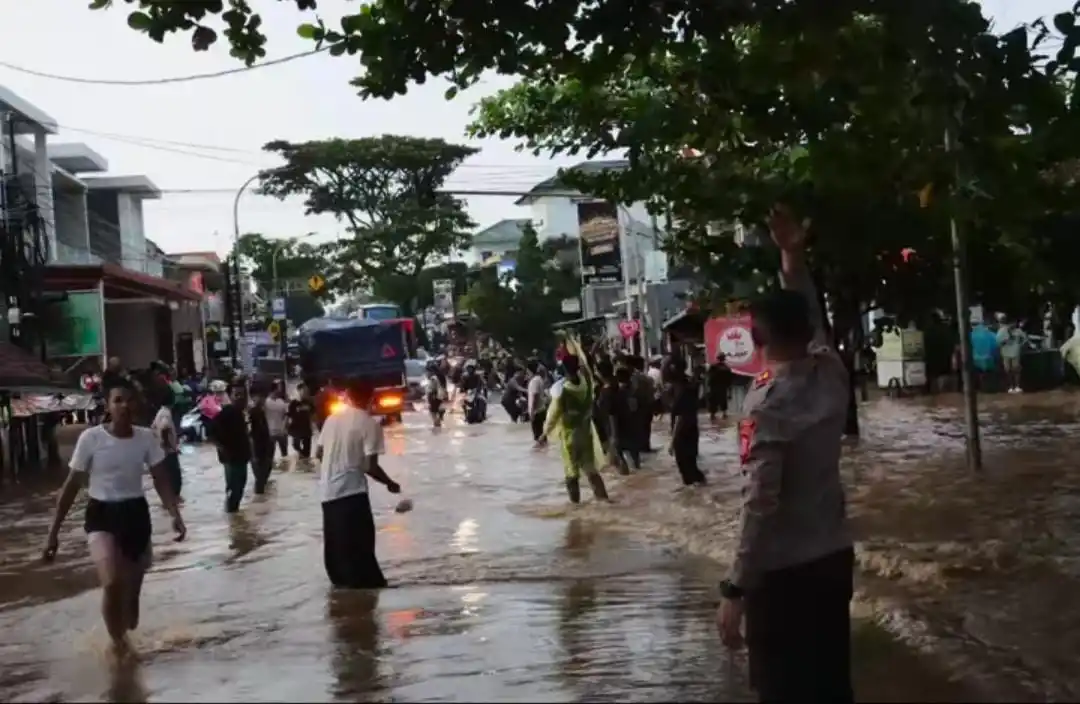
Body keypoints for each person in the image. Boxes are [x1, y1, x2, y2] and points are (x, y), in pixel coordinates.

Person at [716, 206, 853, 703]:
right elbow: (811, 320)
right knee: (832, 684)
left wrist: (735, 588)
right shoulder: (832, 374)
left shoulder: (765, 405)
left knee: (782, 689)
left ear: (756, 338)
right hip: (834, 560)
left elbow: (760, 503)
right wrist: (792, 257)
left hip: (784, 578)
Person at [42, 381, 186, 657]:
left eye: (129, 401)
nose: (124, 406)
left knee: (131, 601)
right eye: (118, 400)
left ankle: (127, 623)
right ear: (107, 406)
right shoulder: (91, 439)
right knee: (111, 583)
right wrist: (53, 532)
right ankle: (118, 646)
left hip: (135, 514)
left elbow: (160, 479)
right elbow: (71, 485)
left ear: (137, 406)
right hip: (101, 515)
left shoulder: (146, 438)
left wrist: (175, 513)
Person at [317, 377, 402, 589]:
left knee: (336, 547)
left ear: (347, 396)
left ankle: (342, 593)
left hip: (327, 492)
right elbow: (369, 466)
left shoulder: (331, 419)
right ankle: (369, 588)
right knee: (361, 547)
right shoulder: (369, 423)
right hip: (352, 492)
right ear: (371, 397)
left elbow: (319, 453)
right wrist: (390, 483)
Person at [540, 354, 609, 504]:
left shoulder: (563, 391)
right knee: (591, 470)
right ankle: (603, 500)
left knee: (571, 474)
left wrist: (544, 434)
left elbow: (553, 415)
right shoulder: (587, 384)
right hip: (586, 434)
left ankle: (575, 507)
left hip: (570, 437)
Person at [210, 383, 252, 513]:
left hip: (242, 457)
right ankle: (231, 516)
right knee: (234, 489)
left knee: (239, 488)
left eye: (242, 395)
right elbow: (211, 433)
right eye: (236, 394)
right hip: (231, 459)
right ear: (230, 396)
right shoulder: (227, 413)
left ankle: (234, 520)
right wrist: (222, 449)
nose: (240, 398)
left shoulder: (242, 413)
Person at [667, 357, 706, 487]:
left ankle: (693, 498)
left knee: (685, 469)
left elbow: (680, 417)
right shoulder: (690, 384)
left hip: (682, 432)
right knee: (692, 465)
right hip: (692, 429)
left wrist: (672, 441)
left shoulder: (680, 389)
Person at [600, 365, 641, 474]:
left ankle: (627, 479)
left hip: (615, 429)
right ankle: (636, 474)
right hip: (629, 426)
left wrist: (614, 435)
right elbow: (633, 408)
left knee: (618, 459)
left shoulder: (606, 392)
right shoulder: (625, 390)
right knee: (633, 456)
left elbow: (611, 413)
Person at [151, 388, 183, 500]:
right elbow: (164, 428)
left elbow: (153, 429)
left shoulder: (160, 412)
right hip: (168, 452)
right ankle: (174, 499)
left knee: (168, 478)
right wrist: (168, 445)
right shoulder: (166, 413)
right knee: (175, 479)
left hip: (162, 451)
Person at [248, 388, 274, 494]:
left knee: (264, 476)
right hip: (257, 449)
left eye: (262, 397)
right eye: (258, 397)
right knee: (260, 478)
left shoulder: (262, 412)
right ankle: (259, 496)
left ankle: (261, 500)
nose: (261, 399)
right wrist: (253, 453)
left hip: (265, 447)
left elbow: (265, 431)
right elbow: (250, 433)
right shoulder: (252, 413)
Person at [997, 318, 1027, 393]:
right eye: (1011, 323)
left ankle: (1017, 386)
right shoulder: (1002, 331)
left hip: (1015, 353)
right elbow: (998, 343)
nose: (1012, 325)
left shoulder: (1018, 331)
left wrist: (1020, 345)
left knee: (1016, 369)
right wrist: (1006, 340)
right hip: (1006, 353)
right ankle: (1011, 386)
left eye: (1014, 323)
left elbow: (1025, 339)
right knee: (1008, 370)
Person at [288, 383, 316, 459]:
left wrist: (313, 425)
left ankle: (305, 459)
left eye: (307, 391)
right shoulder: (293, 403)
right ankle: (301, 455)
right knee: (295, 445)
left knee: (307, 448)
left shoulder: (309, 403)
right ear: (299, 391)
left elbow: (313, 414)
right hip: (296, 429)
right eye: (304, 390)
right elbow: (289, 415)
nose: (306, 392)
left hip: (306, 429)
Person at [265, 381, 290, 463]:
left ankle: (285, 465)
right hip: (270, 431)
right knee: (270, 452)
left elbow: (286, 414)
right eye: (279, 387)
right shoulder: (266, 402)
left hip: (281, 431)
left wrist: (285, 426)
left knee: (284, 452)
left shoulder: (281, 401)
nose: (281, 389)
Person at [526, 360, 549, 442]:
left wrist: (532, 412)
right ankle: (544, 452)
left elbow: (534, 396)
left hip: (536, 412)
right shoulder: (539, 379)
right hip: (541, 410)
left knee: (538, 437)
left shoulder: (534, 381)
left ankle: (540, 452)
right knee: (542, 436)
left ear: (529, 370)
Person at [707, 353, 734, 422]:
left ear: (718, 358)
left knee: (713, 402)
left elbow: (709, 377)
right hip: (723, 388)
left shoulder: (713, 367)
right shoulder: (727, 368)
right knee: (723, 401)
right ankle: (724, 414)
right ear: (724, 359)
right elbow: (729, 381)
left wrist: (708, 387)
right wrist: (730, 392)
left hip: (714, 388)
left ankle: (712, 415)